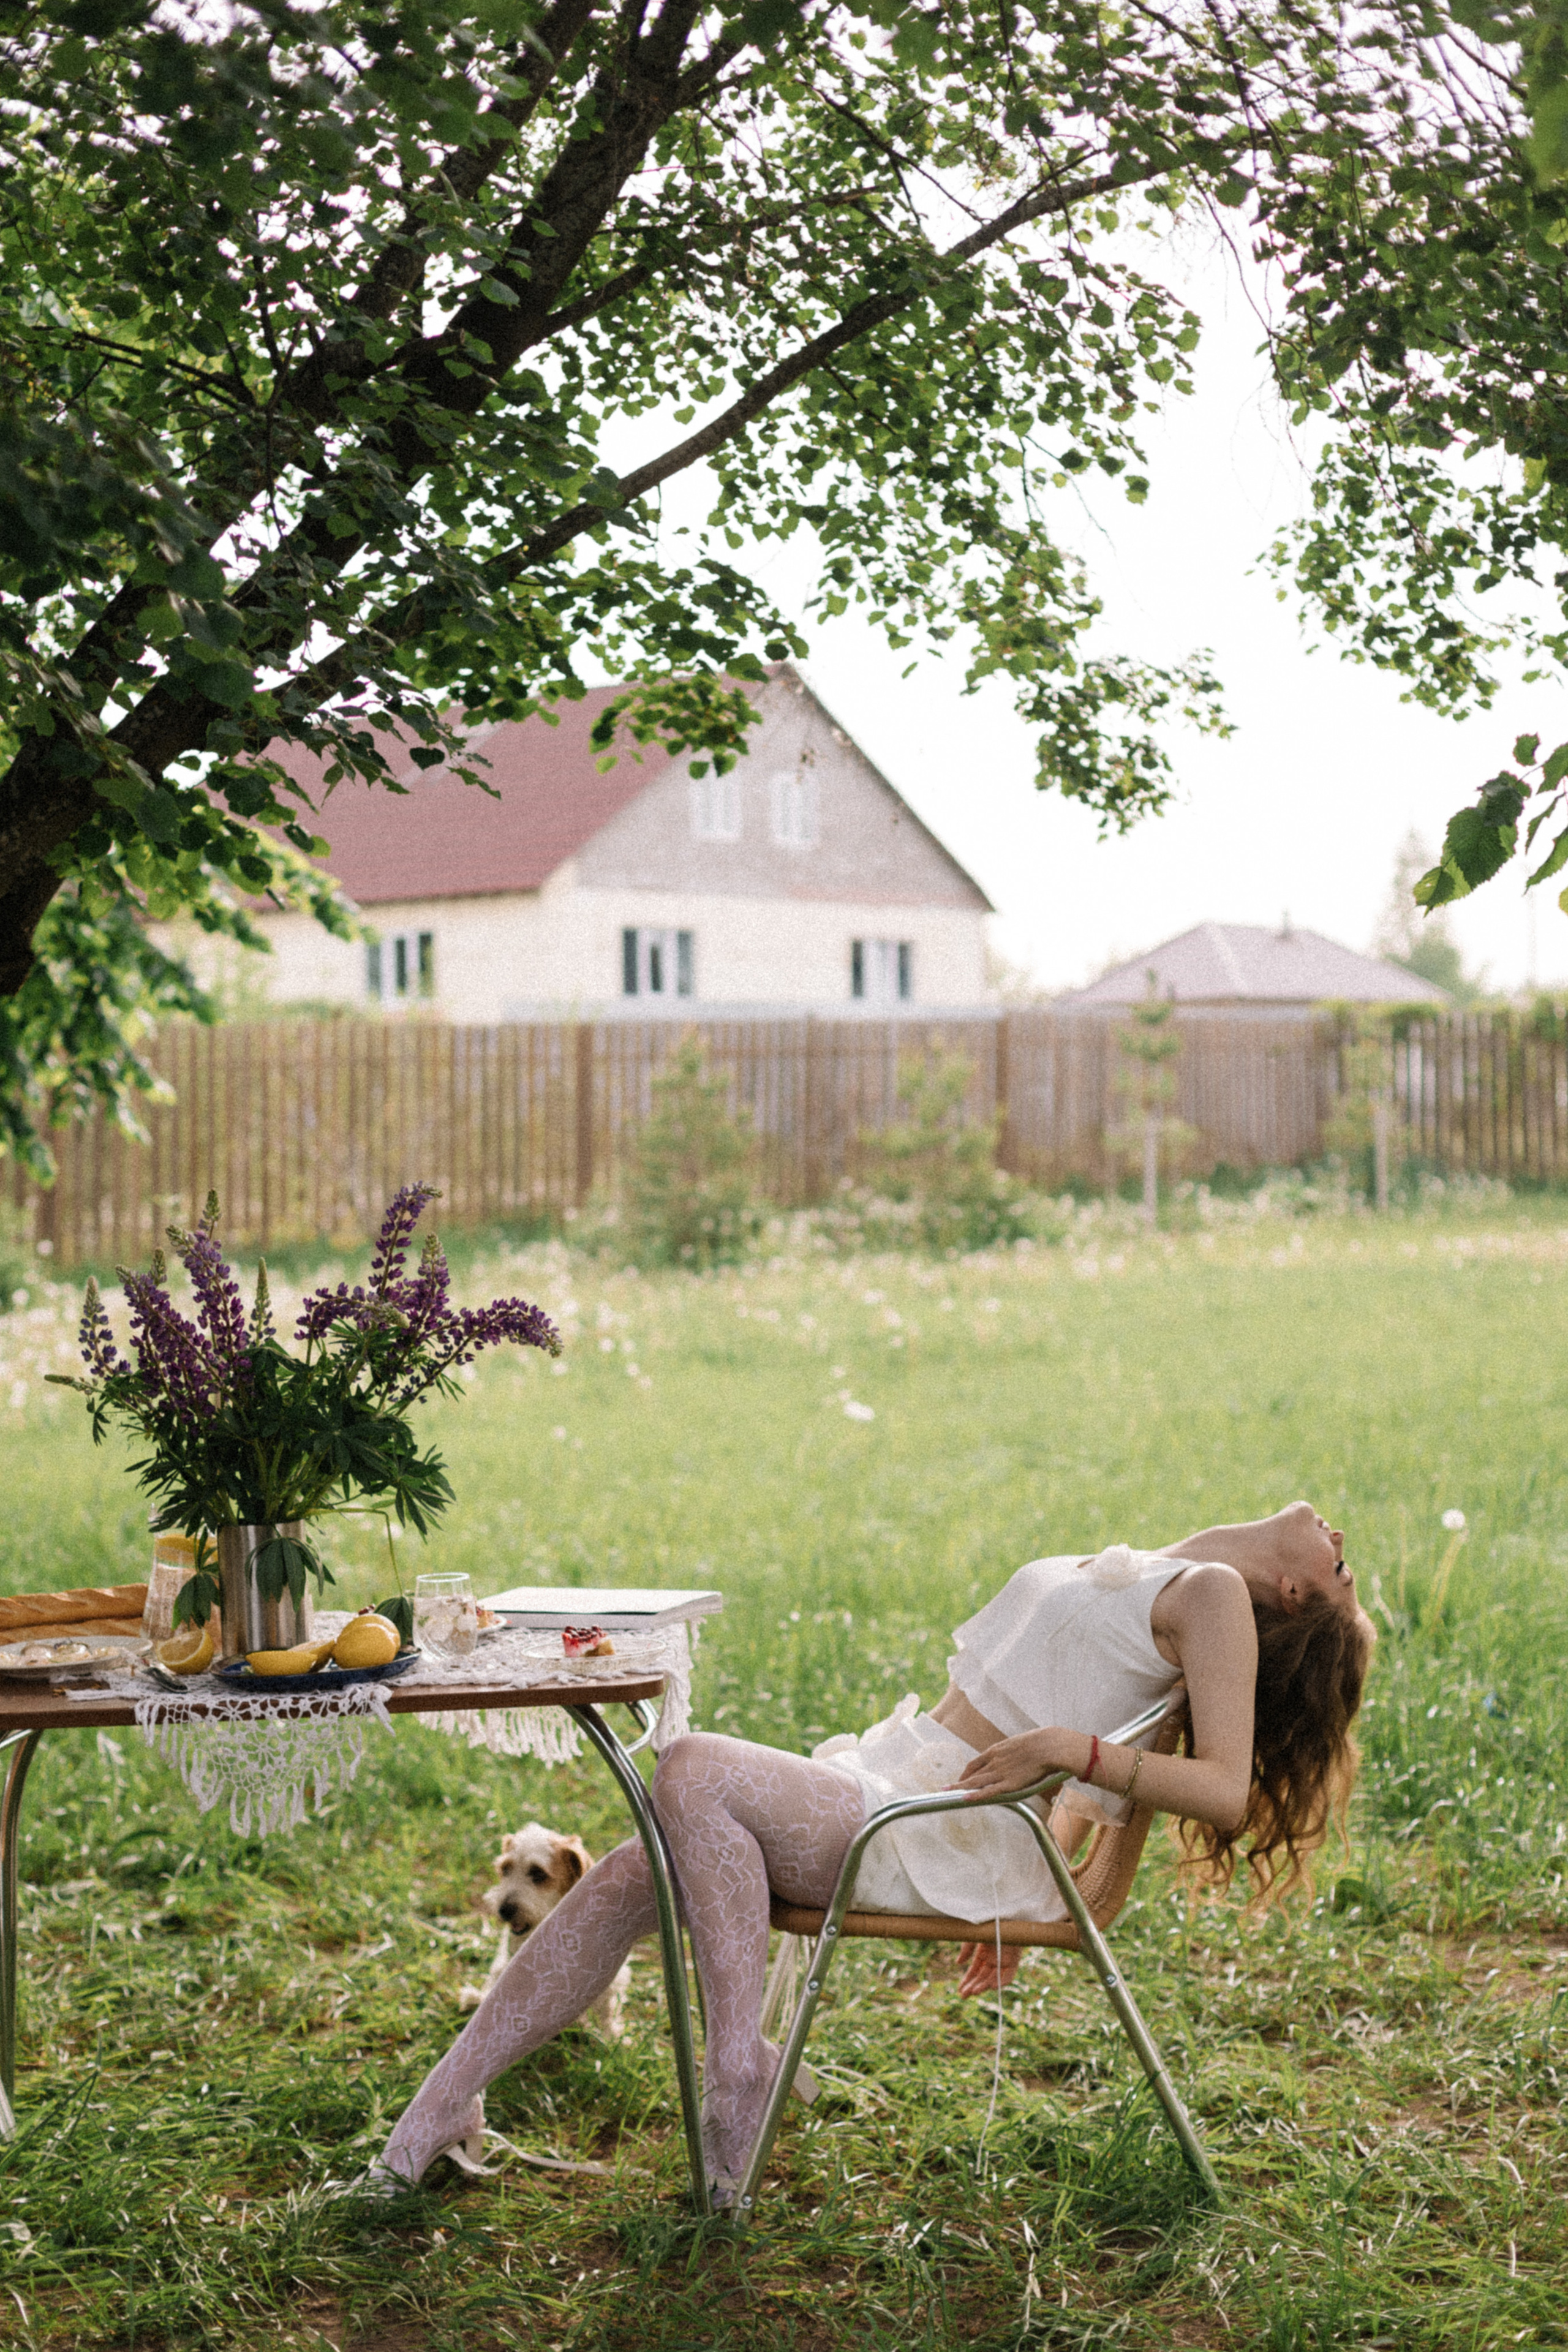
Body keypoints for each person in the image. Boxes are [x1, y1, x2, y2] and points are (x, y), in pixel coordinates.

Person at [363, 1502, 1373, 2204]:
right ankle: (436, 2114)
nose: (1340, 1543)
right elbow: (1100, 1680)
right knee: (637, 1866)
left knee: (691, 1771)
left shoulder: (1220, 1599)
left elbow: (1226, 1793)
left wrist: (1075, 1761)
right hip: (912, 1788)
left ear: (1288, 1592)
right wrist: (1060, 1808)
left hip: (944, 1826)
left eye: (1340, 1572)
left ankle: (734, 2076)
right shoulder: (1182, 1560)